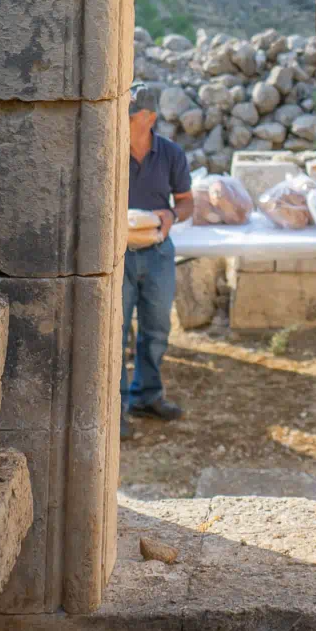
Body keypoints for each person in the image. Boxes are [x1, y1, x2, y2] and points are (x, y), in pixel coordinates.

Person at [121, 82, 193, 440]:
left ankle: (147, 397)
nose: (123, 120)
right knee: (114, 333)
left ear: (148, 118)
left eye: (130, 115)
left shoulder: (170, 154)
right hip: (118, 254)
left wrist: (170, 216)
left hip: (158, 253)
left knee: (156, 329)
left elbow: (186, 202)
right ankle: (114, 409)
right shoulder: (110, 149)